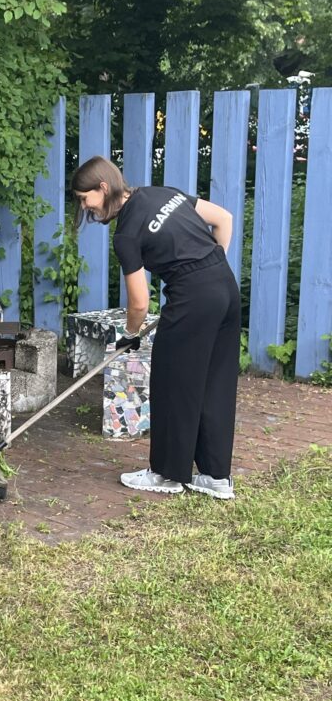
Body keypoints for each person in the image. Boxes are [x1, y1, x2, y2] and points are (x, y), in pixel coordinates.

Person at [71, 155, 238, 499]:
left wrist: (130, 334)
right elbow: (224, 219)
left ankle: (167, 474)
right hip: (225, 287)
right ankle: (215, 477)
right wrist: (210, 270)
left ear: (103, 187)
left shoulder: (126, 234)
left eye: (85, 198)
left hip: (193, 299)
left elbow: (139, 303)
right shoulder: (162, 193)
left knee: (173, 384)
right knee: (215, 384)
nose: (85, 207)